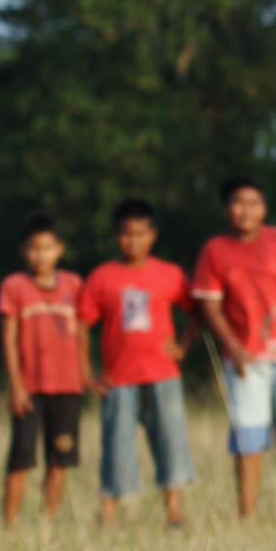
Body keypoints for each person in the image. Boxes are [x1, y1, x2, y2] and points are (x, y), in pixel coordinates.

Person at [193, 177, 276, 518]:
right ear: (226, 210)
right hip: (245, 358)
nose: (246, 210)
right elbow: (210, 305)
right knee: (248, 434)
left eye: (253, 203)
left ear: (264, 208)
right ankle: (247, 513)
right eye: (238, 203)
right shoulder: (215, 250)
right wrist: (234, 348)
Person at [79, 199, 197, 527]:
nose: (133, 241)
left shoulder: (169, 274)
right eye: (126, 235)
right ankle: (108, 514)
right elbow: (82, 322)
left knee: (171, 440)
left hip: (163, 373)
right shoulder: (103, 277)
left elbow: (195, 311)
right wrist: (87, 372)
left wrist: (183, 345)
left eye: (140, 234)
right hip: (119, 377)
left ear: (153, 235)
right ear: (117, 237)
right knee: (116, 443)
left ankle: (174, 511)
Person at [0, 211, 89, 526]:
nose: (41, 255)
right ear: (25, 251)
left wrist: (85, 373)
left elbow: (82, 332)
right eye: (34, 248)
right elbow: (9, 340)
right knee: (21, 455)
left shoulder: (75, 285)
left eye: (47, 248)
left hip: (67, 385)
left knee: (60, 456)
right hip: (30, 386)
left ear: (59, 249)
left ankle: (46, 520)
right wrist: (15, 385)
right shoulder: (14, 286)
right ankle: (9, 522)